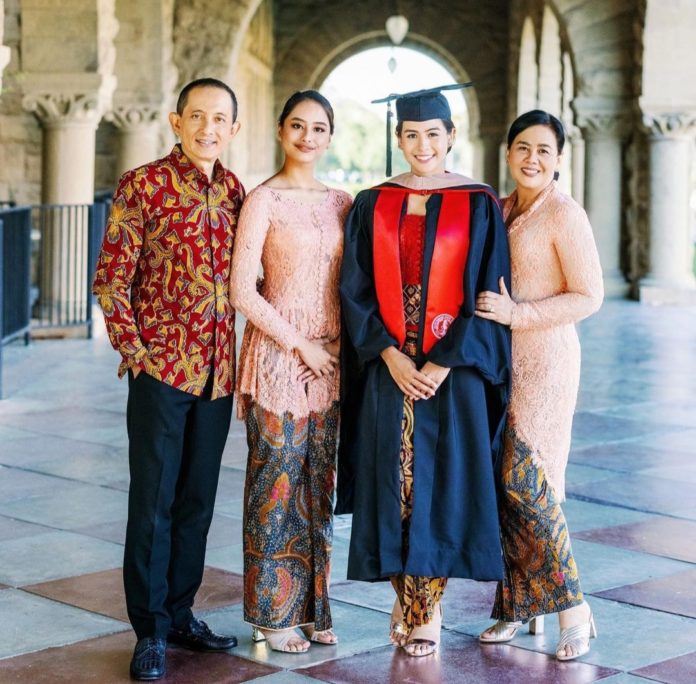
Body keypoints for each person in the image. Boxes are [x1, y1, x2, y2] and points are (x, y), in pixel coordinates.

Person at [337, 85, 512, 657]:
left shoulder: (478, 202)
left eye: (433, 134)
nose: (422, 145)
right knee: (396, 483)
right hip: (389, 363)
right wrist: (387, 353)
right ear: (398, 139)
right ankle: (404, 594)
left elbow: (489, 291)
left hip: (451, 367)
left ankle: (426, 609)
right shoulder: (373, 202)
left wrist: (442, 361)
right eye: (411, 135)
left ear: (451, 136)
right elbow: (355, 290)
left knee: (438, 486)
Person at [92, 78, 244, 681]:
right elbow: (112, 278)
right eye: (198, 116)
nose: (208, 128)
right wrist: (136, 352)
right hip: (161, 369)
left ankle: (181, 612)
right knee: (152, 501)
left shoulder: (235, 191)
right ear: (176, 120)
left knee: (197, 501)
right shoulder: (144, 184)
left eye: (220, 119)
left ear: (234, 129)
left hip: (216, 374)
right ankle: (150, 629)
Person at [476, 110, 603, 660]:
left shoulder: (564, 214)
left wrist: (515, 314)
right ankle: (517, 604)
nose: (532, 159)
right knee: (505, 487)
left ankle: (574, 610)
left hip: (546, 362)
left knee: (529, 482)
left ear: (558, 160)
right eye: (523, 147)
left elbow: (587, 296)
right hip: (501, 366)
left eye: (544, 151)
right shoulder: (501, 209)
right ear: (508, 153)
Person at [230, 91, 352, 654]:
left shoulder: (343, 203)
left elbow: (353, 285)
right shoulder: (263, 200)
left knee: (317, 489)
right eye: (298, 125)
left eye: (319, 127)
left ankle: (313, 608)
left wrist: (335, 344)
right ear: (281, 130)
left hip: (329, 363)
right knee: (274, 486)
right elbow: (241, 292)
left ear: (330, 136)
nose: (308, 136)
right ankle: (270, 614)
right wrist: (300, 343)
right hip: (280, 357)